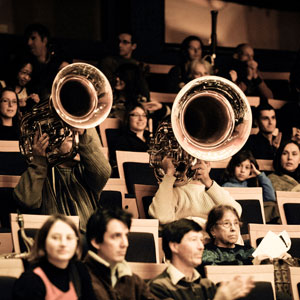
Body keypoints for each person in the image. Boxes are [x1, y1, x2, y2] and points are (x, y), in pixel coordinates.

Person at [13, 127, 111, 231]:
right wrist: (38, 163)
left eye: (78, 140)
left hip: (89, 239)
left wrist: (83, 136)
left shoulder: (87, 171)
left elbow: (104, 172)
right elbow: (27, 200)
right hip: (57, 239)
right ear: (54, 147)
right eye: (71, 140)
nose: (78, 145)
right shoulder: (42, 173)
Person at [149, 218, 254, 300]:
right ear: (174, 246)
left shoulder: (207, 285)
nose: (201, 246)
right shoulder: (158, 287)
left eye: (201, 240)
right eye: (193, 240)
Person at [202, 205, 292, 300]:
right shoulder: (207, 252)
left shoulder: (247, 250)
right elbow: (216, 274)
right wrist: (251, 266)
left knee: (282, 297)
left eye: (236, 223)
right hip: (229, 296)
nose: (233, 228)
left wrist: (279, 260)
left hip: (256, 293)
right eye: (226, 223)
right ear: (213, 231)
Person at [13, 214, 97, 300]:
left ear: (77, 242)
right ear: (43, 242)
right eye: (55, 238)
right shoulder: (29, 281)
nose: (63, 244)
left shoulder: (79, 269)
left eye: (69, 238)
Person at [83, 207, 158, 300]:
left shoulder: (130, 278)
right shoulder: (80, 278)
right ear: (96, 242)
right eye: (116, 236)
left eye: (126, 235)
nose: (125, 244)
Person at [148, 156, 242, 228]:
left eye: (206, 160)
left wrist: (207, 181)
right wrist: (169, 174)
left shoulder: (215, 190)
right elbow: (161, 217)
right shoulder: (174, 191)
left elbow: (235, 213)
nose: (203, 163)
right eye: (195, 159)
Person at [221, 149, 279, 223]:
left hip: (252, 218)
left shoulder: (251, 187)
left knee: (272, 205)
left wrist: (259, 175)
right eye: (239, 166)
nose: (242, 170)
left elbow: (270, 197)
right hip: (234, 218)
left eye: (247, 167)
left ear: (251, 170)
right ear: (233, 167)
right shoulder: (227, 186)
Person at [24, 23, 71, 101]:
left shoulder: (59, 62)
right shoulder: (28, 64)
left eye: (33, 38)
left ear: (44, 40)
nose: (29, 43)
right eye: (28, 39)